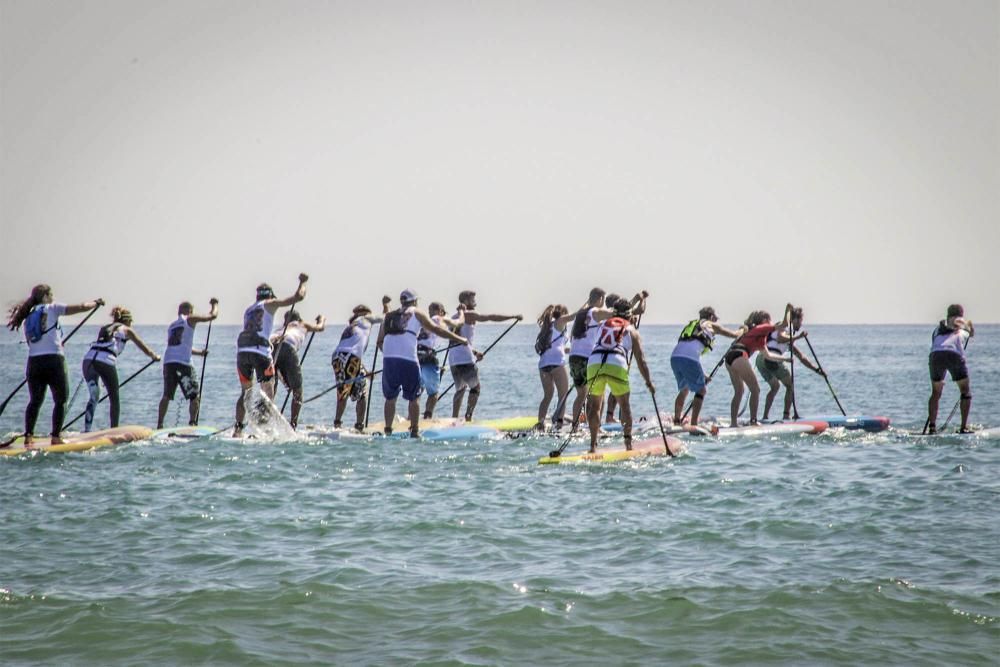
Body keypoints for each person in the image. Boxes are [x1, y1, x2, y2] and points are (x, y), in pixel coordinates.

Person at [5, 285, 103, 445]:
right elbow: (81, 307)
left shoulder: (28, 316)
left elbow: (32, 342)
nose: (53, 298)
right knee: (61, 399)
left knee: (35, 400)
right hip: (54, 360)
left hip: (34, 362)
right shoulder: (53, 308)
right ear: (44, 296)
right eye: (51, 295)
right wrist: (95, 303)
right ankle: (56, 437)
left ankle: (28, 436)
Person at [378, 289, 467, 437]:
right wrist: (460, 339)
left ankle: (388, 430)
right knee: (414, 397)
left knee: (390, 397)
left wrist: (391, 354)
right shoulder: (418, 313)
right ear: (414, 301)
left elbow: (379, 342)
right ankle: (414, 430)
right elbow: (436, 329)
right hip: (409, 359)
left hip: (389, 360)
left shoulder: (388, 316)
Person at [233, 274, 308, 437]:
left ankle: (237, 430)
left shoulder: (249, 309)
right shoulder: (270, 303)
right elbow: (298, 297)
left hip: (242, 351)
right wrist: (303, 282)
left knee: (245, 392)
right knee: (268, 389)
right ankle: (264, 428)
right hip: (260, 352)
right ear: (270, 296)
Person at [585, 299, 655, 453]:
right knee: (625, 407)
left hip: (595, 362)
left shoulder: (602, 324)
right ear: (630, 316)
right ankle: (628, 446)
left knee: (595, 407)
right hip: (616, 363)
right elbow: (641, 361)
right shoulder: (632, 331)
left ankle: (592, 446)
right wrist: (649, 382)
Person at [82, 306, 161, 432]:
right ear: (128, 321)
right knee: (114, 399)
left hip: (88, 361)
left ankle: (86, 431)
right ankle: (114, 430)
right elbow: (142, 346)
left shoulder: (106, 327)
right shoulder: (126, 330)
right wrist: (154, 356)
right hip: (105, 362)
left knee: (94, 397)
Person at [447, 290, 522, 422]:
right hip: (464, 359)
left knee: (460, 389)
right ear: (465, 301)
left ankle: (453, 419)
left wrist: (475, 352)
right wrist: (513, 316)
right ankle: (468, 417)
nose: (475, 301)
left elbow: (458, 340)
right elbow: (490, 317)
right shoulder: (469, 314)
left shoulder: (454, 317)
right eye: (472, 299)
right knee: (475, 388)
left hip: (453, 359)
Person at [670, 306, 742, 426]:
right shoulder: (712, 325)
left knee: (684, 390)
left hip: (675, 357)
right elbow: (734, 335)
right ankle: (694, 424)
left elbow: (690, 350)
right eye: (715, 319)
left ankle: (677, 422)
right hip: (688, 359)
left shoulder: (692, 325)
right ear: (712, 317)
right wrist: (743, 330)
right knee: (701, 390)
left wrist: (703, 375)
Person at [723, 305, 793, 427]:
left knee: (739, 391)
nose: (771, 323)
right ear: (764, 320)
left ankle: (733, 424)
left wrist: (785, 358)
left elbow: (768, 355)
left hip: (729, 358)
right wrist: (787, 311)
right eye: (769, 320)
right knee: (755, 389)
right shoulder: (762, 327)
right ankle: (753, 421)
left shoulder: (760, 337)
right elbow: (784, 325)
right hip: (739, 355)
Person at [157, 299, 219, 429]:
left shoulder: (172, 325)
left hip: (168, 363)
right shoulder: (190, 319)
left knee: (166, 396)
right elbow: (212, 316)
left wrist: (200, 353)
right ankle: (192, 424)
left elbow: (181, 346)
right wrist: (214, 305)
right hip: (183, 364)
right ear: (190, 311)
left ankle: (160, 424)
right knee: (195, 395)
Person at [755, 307, 824, 421]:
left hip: (761, 360)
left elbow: (801, 357)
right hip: (770, 358)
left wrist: (817, 370)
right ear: (795, 319)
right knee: (790, 386)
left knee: (775, 387)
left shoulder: (790, 336)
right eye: (800, 321)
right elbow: (781, 338)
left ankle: (764, 418)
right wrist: (798, 336)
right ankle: (786, 416)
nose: (801, 324)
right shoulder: (785, 327)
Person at [331, 297, 389, 431]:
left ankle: (341, 423)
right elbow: (386, 316)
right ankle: (354, 425)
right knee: (350, 392)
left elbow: (350, 354)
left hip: (338, 358)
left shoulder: (352, 326)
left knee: (351, 391)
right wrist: (386, 304)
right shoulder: (365, 319)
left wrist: (365, 371)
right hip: (349, 358)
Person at [565, 287, 616, 431]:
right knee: (597, 395)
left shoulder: (581, 315)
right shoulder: (594, 312)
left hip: (574, 358)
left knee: (581, 394)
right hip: (588, 359)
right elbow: (611, 313)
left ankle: (575, 427)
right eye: (603, 300)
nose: (604, 304)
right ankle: (596, 427)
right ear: (599, 299)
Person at [272, 311, 326, 429]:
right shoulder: (303, 325)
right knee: (297, 391)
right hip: (288, 348)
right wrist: (322, 319)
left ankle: (265, 421)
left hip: (272, 348)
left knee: (270, 388)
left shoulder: (282, 328)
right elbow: (320, 328)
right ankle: (293, 424)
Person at [926, 304, 974, 434]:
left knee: (935, 393)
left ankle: (932, 427)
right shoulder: (964, 329)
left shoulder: (937, 329)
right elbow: (971, 332)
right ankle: (963, 427)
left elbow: (937, 344)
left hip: (935, 355)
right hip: (954, 355)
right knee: (965, 392)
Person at [602, 290, 648, 425]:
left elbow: (639, 309)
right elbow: (640, 309)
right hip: (617, 356)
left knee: (611, 389)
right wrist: (642, 298)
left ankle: (609, 416)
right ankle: (612, 417)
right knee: (619, 389)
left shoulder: (610, 315)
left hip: (611, 355)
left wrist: (641, 299)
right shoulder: (614, 315)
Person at [418, 301, 464, 419]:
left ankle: (410, 419)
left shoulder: (424, 322)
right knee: (433, 394)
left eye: (430, 310)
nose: (429, 313)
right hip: (428, 359)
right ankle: (427, 418)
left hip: (415, 358)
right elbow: (459, 323)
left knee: (418, 392)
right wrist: (461, 312)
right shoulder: (439, 318)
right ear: (441, 312)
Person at [534, 304, 570, 431]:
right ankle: (559, 424)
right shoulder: (560, 322)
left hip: (544, 365)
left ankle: (540, 423)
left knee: (547, 396)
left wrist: (571, 350)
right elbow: (573, 316)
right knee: (563, 395)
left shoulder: (548, 326)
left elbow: (556, 347)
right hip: (556, 363)